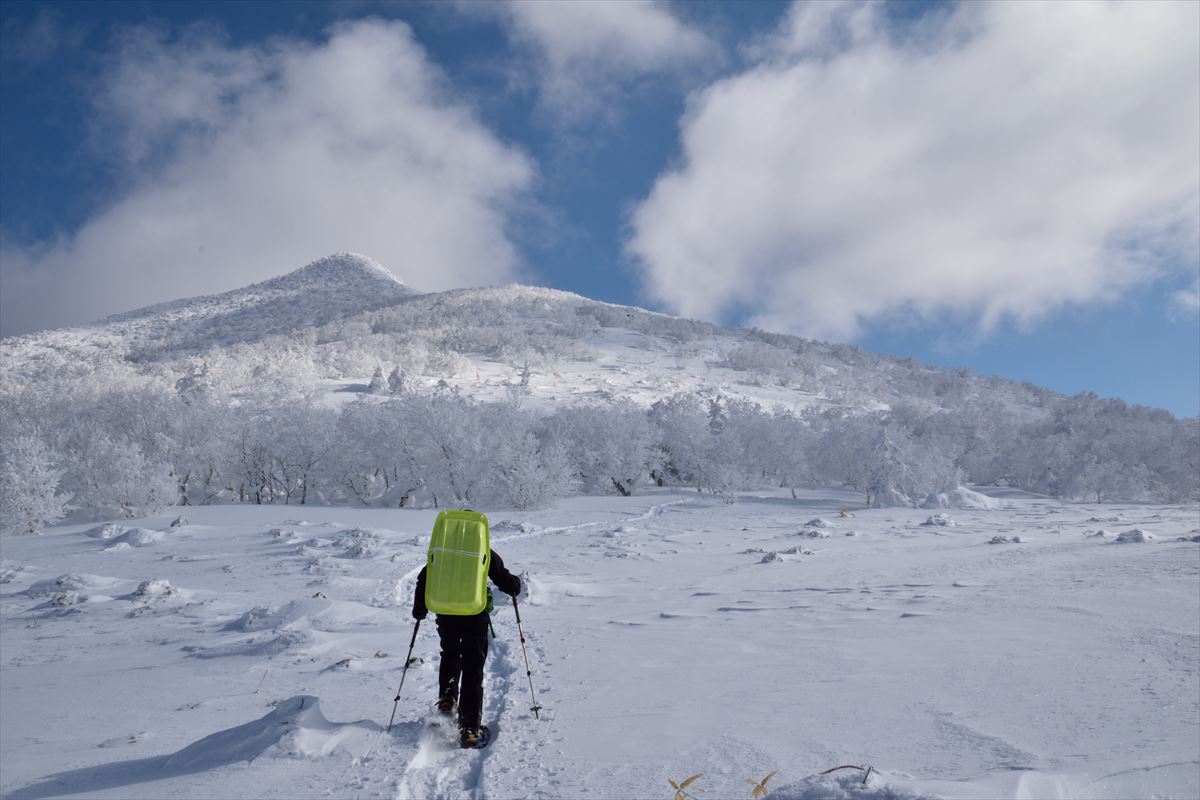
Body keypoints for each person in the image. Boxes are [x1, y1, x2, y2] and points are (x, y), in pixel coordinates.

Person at [412, 549, 521, 748]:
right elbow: (500, 575)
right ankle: (470, 729)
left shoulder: (444, 547)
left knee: (450, 653)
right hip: (474, 613)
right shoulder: (480, 547)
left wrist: (420, 609)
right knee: (473, 664)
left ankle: (447, 698)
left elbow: (425, 577)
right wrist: (514, 585)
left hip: (446, 612)